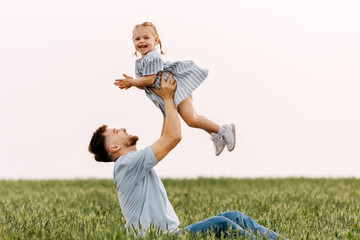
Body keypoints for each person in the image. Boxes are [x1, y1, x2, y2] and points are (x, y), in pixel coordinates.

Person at [89, 73, 279, 239]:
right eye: (116, 131)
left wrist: (167, 100)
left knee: (235, 216)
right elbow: (173, 136)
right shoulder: (125, 164)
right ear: (114, 147)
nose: (122, 128)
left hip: (172, 235)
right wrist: (169, 98)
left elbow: (166, 135)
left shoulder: (131, 164)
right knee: (222, 225)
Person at [113, 21, 235, 157]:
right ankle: (217, 133)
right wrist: (134, 82)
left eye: (146, 38)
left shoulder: (152, 57)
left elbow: (151, 79)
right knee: (173, 129)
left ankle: (224, 130)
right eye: (137, 39)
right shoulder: (140, 63)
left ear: (156, 40)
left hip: (176, 90)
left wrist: (132, 82)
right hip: (166, 97)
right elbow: (145, 85)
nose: (141, 41)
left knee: (192, 119)